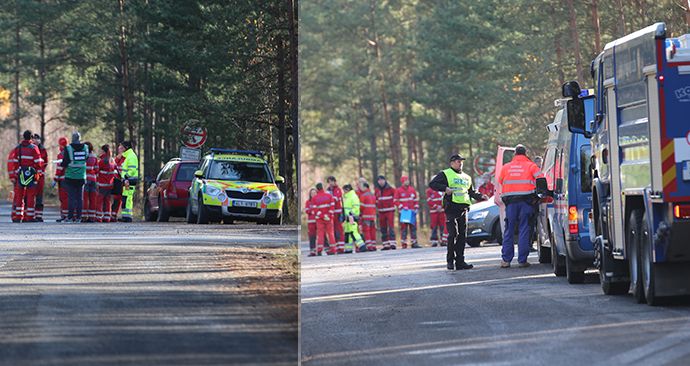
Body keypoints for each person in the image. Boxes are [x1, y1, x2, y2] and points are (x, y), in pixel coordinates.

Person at [429, 154, 488, 270]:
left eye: (461, 161)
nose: (460, 163)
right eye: (457, 161)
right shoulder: (445, 174)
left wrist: (481, 196)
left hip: (464, 208)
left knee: (462, 236)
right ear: (452, 163)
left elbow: (471, 192)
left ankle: (460, 261)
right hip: (451, 208)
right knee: (453, 235)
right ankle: (450, 261)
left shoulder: (467, 177)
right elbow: (433, 184)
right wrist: (445, 189)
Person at [497, 144, 544, 268]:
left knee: (509, 230)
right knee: (524, 229)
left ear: (514, 154)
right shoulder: (532, 166)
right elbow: (541, 180)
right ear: (525, 153)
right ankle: (522, 260)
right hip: (527, 202)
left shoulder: (506, 167)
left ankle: (506, 260)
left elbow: (500, 181)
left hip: (511, 203)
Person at [7, 130, 44, 222]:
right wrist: (37, 177)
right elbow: (38, 164)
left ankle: (18, 216)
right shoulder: (34, 148)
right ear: (31, 138)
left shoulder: (18, 148)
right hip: (31, 175)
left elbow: (15, 163)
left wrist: (16, 175)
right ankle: (29, 217)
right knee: (31, 196)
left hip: (21, 175)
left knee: (19, 196)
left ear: (23, 137)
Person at [61, 131, 88, 222]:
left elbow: (65, 163)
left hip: (70, 176)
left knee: (71, 198)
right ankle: (79, 217)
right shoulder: (85, 147)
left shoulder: (68, 148)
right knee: (80, 198)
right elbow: (86, 158)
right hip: (81, 176)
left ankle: (70, 217)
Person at [395, 176, 420, 249]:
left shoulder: (412, 190)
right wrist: (401, 207)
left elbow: (415, 200)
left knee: (413, 228)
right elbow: (395, 201)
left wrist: (416, 208)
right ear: (403, 182)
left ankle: (414, 243)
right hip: (404, 213)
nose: (407, 181)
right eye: (406, 180)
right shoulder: (398, 190)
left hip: (412, 212)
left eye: (408, 180)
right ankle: (404, 243)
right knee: (404, 228)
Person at [312, 183, 337, 255]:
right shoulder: (329, 196)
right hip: (329, 218)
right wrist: (328, 215)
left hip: (320, 219)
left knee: (320, 234)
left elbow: (315, 209)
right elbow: (332, 206)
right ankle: (333, 249)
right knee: (331, 234)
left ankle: (319, 250)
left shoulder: (315, 198)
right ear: (323, 187)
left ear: (317, 189)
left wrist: (322, 216)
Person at [342, 184, 366, 253]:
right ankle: (348, 249)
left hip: (352, 217)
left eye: (344, 190)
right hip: (347, 219)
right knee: (347, 234)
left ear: (348, 189)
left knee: (354, 232)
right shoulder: (347, 197)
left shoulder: (353, 197)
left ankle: (362, 246)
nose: (343, 192)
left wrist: (351, 213)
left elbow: (356, 207)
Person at [118, 141, 139, 222]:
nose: (119, 149)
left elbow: (132, 170)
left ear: (126, 148)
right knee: (125, 198)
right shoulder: (128, 156)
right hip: (127, 181)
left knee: (128, 199)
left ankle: (128, 217)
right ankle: (125, 216)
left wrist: (126, 176)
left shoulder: (131, 156)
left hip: (129, 181)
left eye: (121, 147)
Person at [96, 144, 117, 223]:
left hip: (102, 184)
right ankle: (107, 217)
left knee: (100, 201)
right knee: (107, 201)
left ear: (103, 151)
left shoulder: (102, 161)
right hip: (110, 185)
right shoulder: (112, 161)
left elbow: (96, 171)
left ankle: (99, 217)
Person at [375, 175, 396, 250]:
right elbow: (376, 201)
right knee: (383, 228)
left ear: (385, 180)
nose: (381, 182)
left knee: (391, 227)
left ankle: (393, 243)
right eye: (379, 180)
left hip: (390, 211)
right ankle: (385, 244)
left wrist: (394, 206)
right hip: (381, 212)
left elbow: (395, 199)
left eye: (382, 180)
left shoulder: (391, 189)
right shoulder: (377, 190)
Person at [32, 134, 48, 222]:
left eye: (37, 139)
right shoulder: (31, 148)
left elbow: (45, 162)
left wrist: (40, 171)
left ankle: (39, 215)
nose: (35, 140)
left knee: (39, 195)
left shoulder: (43, 149)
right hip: (31, 174)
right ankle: (31, 214)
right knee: (31, 194)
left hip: (40, 175)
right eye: (34, 139)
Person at [326, 176, 345, 252]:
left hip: (337, 212)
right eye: (329, 182)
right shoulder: (327, 190)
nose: (330, 183)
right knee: (332, 231)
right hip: (330, 213)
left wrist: (329, 197)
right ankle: (335, 247)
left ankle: (341, 247)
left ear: (334, 181)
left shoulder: (338, 190)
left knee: (339, 230)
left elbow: (336, 199)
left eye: (331, 181)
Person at [359, 182, 378, 251]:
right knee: (372, 231)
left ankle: (369, 246)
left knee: (366, 231)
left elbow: (361, 207)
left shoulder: (363, 196)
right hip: (372, 216)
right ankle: (373, 245)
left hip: (365, 216)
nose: (360, 188)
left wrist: (359, 214)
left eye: (361, 186)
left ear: (365, 187)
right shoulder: (373, 195)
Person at [83, 141, 98, 222]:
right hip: (93, 179)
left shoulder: (84, 156)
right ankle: (92, 217)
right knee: (93, 199)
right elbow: (96, 169)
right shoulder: (94, 156)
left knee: (85, 199)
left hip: (85, 179)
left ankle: (84, 216)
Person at [111, 144, 125, 222]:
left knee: (119, 199)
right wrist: (116, 159)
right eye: (119, 148)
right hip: (115, 180)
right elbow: (113, 166)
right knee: (114, 198)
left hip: (122, 180)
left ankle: (115, 214)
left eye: (122, 148)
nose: (120, 150)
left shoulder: (126, 159)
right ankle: (111, 214)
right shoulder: (117, 158)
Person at [305, 188, 318, 256]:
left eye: (315, 193)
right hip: (311, 222)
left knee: (322, 236)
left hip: (319, 221)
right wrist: (312, 211)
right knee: (312, 237)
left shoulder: (319, 201)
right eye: (312, 193)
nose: (313, 194)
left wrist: (314, 210)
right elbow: (307, 210)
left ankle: (326, 249)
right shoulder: (308, 202)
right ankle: (312, 251)